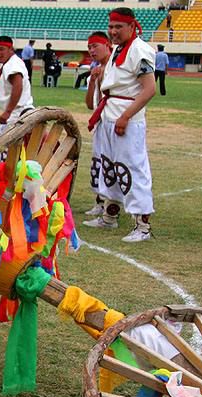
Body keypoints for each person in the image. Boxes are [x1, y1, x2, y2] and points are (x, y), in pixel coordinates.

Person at [82, 8, 157, 243]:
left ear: (132, 26)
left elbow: (149, 89)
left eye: (118, 27)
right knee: (110, 167)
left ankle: (142, 226)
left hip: (126, 119)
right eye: (111, 26)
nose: (113, 31)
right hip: (109, 115)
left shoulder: (140, 50)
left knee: (132, 169)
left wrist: (126, 116)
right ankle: (110, 215)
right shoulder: (118, 50)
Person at [82, 32, 113, 219]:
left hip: (112, 121)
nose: (92, 51)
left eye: (95, 46)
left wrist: (100, 78)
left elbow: (109, 98)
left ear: (107, 44)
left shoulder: (115, 68)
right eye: (89, 47)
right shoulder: (95, 71)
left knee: (110, 164)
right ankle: (100, 203)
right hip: (100, 123)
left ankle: (111, 206)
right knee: (99, 163)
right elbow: (89, 104)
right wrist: (93, 80)